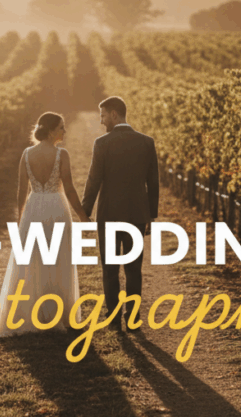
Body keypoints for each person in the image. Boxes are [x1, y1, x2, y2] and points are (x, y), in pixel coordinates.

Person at [0, 112, 91, 338]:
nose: (64, 131)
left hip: (33, 207)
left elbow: (21, 190)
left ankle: (29, 312)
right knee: (57, 259)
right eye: (61, 127)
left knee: (32, 260)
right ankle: (55, 314)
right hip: (56, 207)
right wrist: (83, 216)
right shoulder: (61, 154)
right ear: (52, 130)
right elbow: (70, 189)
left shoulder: (27, 154)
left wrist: (20, 217)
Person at [81, 96, 160, 333]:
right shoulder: (146, 142)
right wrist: (151, 216)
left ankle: (114, 318)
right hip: (137, 215)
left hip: (109, 215)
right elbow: (153, 183)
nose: (101, 120)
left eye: (103, 115)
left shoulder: (102, 143)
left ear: (114, 115)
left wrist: (85, 212)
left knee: (110, 268)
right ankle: (133, 318)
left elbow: (94, 180)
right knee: (134, 269)